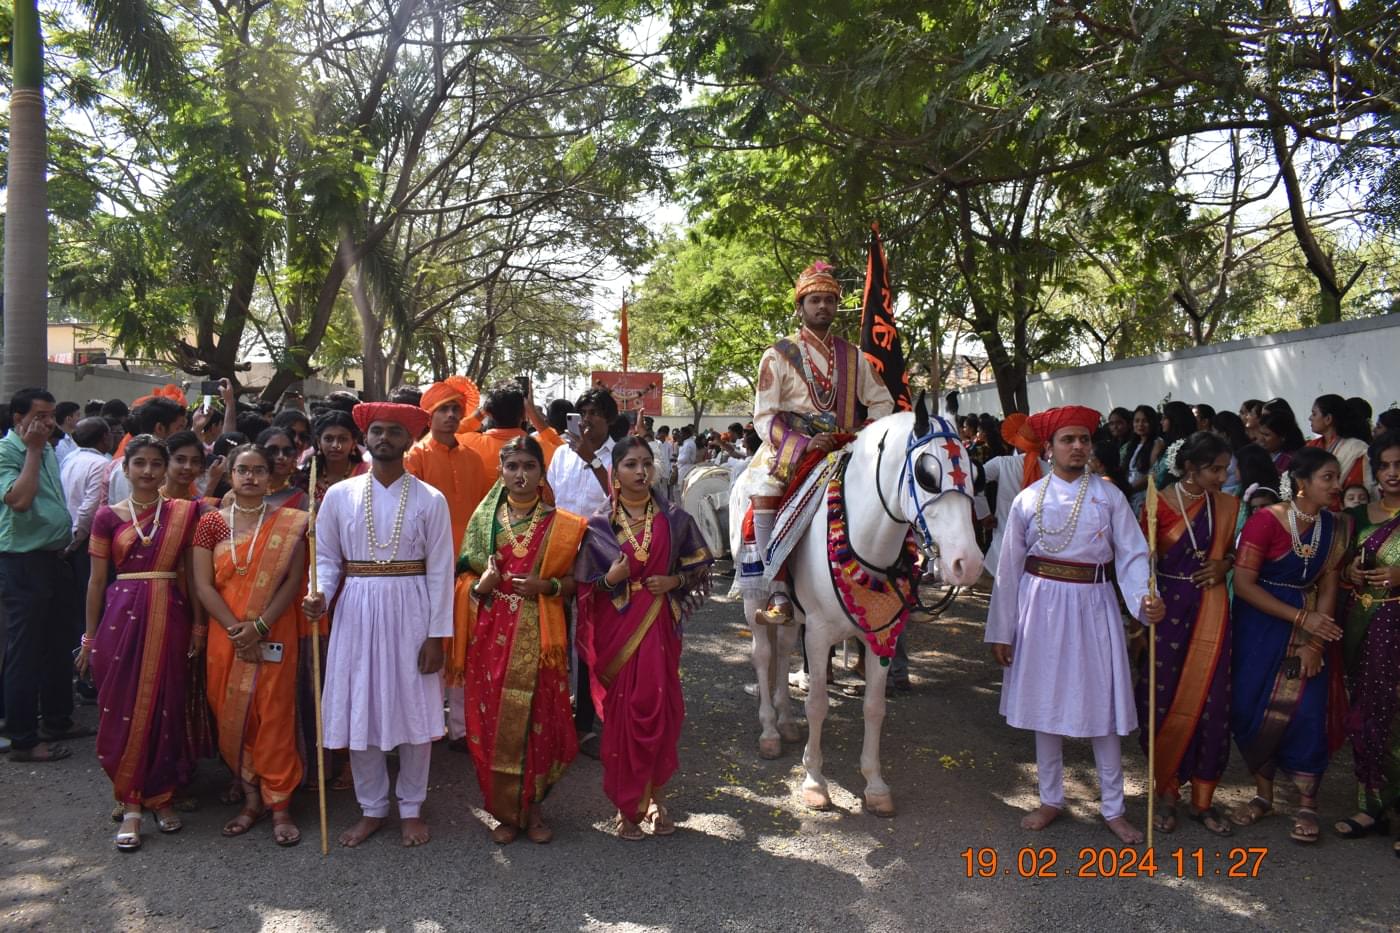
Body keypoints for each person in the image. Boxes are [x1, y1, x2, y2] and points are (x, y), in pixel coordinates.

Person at [985, 405, 1165, 844]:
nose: (1079, 447)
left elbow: (1133, 553)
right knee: (1045, 705)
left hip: (1094, 606)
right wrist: (1002, 631)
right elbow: (1009, 569)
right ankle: (1050, 798)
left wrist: (1145, 600)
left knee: (1101, 706)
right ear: (1049, 448)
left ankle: (1114, 807)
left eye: (1084, 440)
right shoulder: (1029, 498)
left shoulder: (1109, 496)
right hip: (1040, 609)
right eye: (1068, 440)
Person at [303, 402, 454, 848]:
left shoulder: (431, 499)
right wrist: (319, 595)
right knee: (359, 706)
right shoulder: (339, 495)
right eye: (376, 431)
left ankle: (411, 808)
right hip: (356, 611)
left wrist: (436, 635)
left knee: (413, 708)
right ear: (363, 439)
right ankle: (371, 808)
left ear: (409, 441)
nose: (383, 438)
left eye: (393, 432)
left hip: (413, 610)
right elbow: (327, 560)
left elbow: (441, 571)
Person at [574, 438, 713, 839]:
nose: (640, 471)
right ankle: (626, 805)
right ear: (615, 473)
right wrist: (611, 579)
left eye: (646, 464)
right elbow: (586, 587)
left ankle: (655, 797)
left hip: (659, 626)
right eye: (631, 464)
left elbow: (701, 565)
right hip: (618, 630)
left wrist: (675, 580)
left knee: (660, 711)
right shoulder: (599, 525)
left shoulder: (675, 518)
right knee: (627, 713)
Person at [743, 260, 894, 625]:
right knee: (763, 489)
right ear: (800, 307)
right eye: (814, 300)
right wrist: (804, 444)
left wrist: (860, 437)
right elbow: (764, 416)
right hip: (790, 452)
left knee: (888, 496)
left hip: (843, 451)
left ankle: (892, 582)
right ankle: (776, 585)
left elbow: (882, 400)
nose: (823, 306)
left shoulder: (854, 357)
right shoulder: (777, 355)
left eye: (829, 299)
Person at [456, 436, 587, 844]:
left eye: (529, 466)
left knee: (538, 719)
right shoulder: (483, 520)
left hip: (540, 633)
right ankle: (504, 812)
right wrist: (483, 584)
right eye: (512, 466)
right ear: (501, 470)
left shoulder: (560, 523)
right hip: (491, 634)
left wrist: (545, 585)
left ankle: (534, 810)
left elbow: (575, 584)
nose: (520, 474)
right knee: (493, 722)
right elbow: (464, 580)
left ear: (542, 473)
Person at [77, 435, 201, 849]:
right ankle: (131, 804)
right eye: (140, 464)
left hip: (170, 611)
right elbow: (96, 582)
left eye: (155, 464)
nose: (148, 472)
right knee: (122, 707)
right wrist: (90, 638)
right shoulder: (106, 518)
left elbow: (193, 574)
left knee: (167, 704)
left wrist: (200, 625)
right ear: (125, 469)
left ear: (165, 470)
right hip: (120, 616)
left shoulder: (184, 513)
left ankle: (162, 797)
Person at [1228, 447, 1348, 843]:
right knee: (1252, 707)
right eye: (1328, 477)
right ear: (1301, 483)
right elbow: (1244, 585)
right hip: (1260, 625)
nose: (1337, 485)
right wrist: (1300, 618)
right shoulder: (1266, 521)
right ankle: (1263, 796)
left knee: (1307, 711)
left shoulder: (1335, 526)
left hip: (1311, 624)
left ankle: (1307, 804)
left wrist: (1314, 640)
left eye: (1337, 477)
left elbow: (1329, 584)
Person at [193, 444, 310, 847]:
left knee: (274, 714)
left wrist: (259, 625)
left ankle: (280, 806)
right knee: (231, 712)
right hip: (226, 636)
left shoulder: (292, 523)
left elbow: (294, 581)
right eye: (243, 470)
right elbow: (203, 584)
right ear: (230, 474)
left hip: (275, 630)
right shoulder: (211, 522)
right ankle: (250, 799)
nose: (251, 477)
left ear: (271, 476)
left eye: (259, 470)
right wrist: (234, 628)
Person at [1136, 432, 1239, 836]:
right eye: (1215, 468)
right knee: (1161, 700)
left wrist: (1225, 564)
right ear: (1191, 468)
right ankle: (1166, 794)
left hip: (1211, 610)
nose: (1223, 474)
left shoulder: (1228, 506)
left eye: (1225, 467)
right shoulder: (1156, 502)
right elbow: (1139, 563)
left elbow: (1243, 555)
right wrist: (1141, 615)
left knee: (1213, 704)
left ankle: (1203, 800)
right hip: (1167, 609)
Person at [0, 388, 86, 763]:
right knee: (27, 649)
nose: (49, 423)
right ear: (19, 419)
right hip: (22, 563)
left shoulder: (50, 449)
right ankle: (22, 737)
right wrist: (32, 449)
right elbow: (19, 501)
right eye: (41, 416)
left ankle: (57, 718)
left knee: (58, 643)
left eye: (52, 415)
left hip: (53, 558)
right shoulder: (8, 452)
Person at [406, 377, 489, 752]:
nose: (453, 415)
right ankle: (425, 724)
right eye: (444, 409)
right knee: (429, 646)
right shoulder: (415, 457)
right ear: (429, 415)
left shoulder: (472, 457)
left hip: (467, 568)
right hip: (425, 569)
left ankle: (460, 727)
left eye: (457, 409)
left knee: (464, 647)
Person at [1334, 435, 1400, 850]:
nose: (1393, 473)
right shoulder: (1356, 516)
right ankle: (1371, 804)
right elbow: (1339, 569)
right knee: (1367, 713)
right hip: (1363, 625)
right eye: (1386, 466)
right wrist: (1351, 577)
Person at [547, 387, 620, 755]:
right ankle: (561, 712)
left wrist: (593, 460)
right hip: (560, 552)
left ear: (609, 418)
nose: (588, 419)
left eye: (595, 412)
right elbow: (550, 499)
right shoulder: (561, 454)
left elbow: (622, 498)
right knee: (557, 631)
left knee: (591, 636)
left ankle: (588, 721)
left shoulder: (618, 455)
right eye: (583, 412)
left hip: (599, 555)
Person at [60, 417, 114, 633]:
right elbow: (89, 510)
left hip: (70, 538)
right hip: (84, 542)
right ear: (104, 437)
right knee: (91, 601)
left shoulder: (70, 459)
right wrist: (74, 543)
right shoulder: (101, 464)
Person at [106, 396, 188, 505]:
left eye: (156, 464)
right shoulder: (126, 468)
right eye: (179, 428)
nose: (183, 434)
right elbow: (127, 514)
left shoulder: (168, 462)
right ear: (160, 428)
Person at [1307, 394, 1372, 507]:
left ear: (1328, 419)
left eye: (1314, 413)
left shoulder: (1356, 449)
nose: (1310, 418)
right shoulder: (1311, 447)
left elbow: (1358, 489)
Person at [297, 410, 368, 499]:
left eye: (342, 439)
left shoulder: (367, 474)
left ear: (354, 443)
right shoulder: (305, 478)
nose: (335, 445)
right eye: (328, 439)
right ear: (319, 442)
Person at [1125, 404, 1162, 514]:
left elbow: (1152, 474)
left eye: (1145, 421)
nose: (1140, 424)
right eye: (1137, 421)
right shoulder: (1132, 444)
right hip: (1128, 493)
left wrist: (1130, 489)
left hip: (1143, 495)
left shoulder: (1157, 443)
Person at [1152, 401, 1197, 488]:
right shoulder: (1169, 443)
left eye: (1164, 418)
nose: (1161, 422)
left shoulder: (1187, 446)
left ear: (1175, 420)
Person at [1257, 399, 1306, 474]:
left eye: (1266, 435)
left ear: (1283, 437)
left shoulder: (1293, 461)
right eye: (1260, 433)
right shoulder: (1263, 454)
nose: (1260, 439)